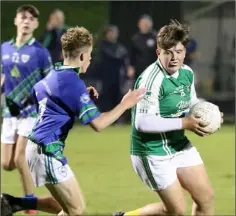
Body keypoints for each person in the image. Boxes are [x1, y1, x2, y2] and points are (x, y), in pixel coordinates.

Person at [1, 26, 145, 216]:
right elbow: (99, 124)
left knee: (67, 205)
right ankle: (14, 203)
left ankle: (14, 203)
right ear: (83, 56)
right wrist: (125, 104)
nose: (91, 59)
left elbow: (43, 98)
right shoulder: (72, 83)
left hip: (35, 146)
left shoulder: (54, 74)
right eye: (90, 54)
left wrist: (81, 96)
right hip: (47, 151)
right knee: (76, 210)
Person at [113, 20, 223, 216]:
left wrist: (210, 113)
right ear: (158, 53)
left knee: (206, 198)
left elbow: (191, 102)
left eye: (179, 52)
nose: (174, 58)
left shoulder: (187, 73)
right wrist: (185, 123)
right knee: (176, 211)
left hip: (178, 144)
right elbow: (142, 122)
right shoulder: (150, 80)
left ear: (185, 52)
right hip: (151, 151)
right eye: (168, 52)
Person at [1, 5, 52, 215]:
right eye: (23, 17)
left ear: (36, 25)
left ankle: (29, 206)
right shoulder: (5, 48)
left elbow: (49, 83)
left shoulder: (40, 52)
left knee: (20, 157)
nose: (27, 21)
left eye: (31, 19)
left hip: (31, 113)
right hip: (9, 113)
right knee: (6, 163)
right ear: (16, 21)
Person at [98, 25, 130, 115]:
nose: (111, 35)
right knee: (106, 96)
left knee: (117, 96)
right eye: (110, 33)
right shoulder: (103, 45)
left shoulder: (120, 47)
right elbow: (113, 57)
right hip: (106, 75)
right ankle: (105, 115)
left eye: (113, 33)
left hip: (118, 76)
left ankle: (117, 117)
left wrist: (127, 69)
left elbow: (125, 59)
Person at [127, 14, 157, 80]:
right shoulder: (135, 39)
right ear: (139, 25)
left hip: (153, 69)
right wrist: (131, 67)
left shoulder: (156, 37)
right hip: (139, 70)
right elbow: (132, 55)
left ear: (151, 24)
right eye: (143, 23)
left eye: (147, 23)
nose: (145, 25)